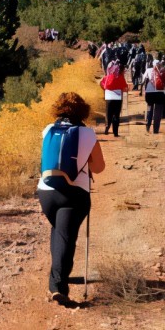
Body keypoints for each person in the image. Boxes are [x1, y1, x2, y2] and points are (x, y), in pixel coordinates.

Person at [38, 92, 106, 306]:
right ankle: (59, 287)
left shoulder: (48, 129)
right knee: (66, 238)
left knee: (59, 232)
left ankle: (55, 279)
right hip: (74, 193)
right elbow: (99, 167)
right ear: (83, 111)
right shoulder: (88, 134)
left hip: (46, 191)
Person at [99, 60, 127, 137]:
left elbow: (101, 84)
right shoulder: (120, 77)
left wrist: (106, 91)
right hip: (118, 97)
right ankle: (115, 133)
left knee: (109, 114)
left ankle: (107, 128)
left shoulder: (107, 77)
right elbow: (125, 88)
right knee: (116, 115)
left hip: (109, 97)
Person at [142, 59, 165, 133]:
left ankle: (148, 125)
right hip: (160, 93)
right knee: (158, 112)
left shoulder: (148, 70)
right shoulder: (163, 70)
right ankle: (156, 129)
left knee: (150, 109)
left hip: (150, 93)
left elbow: (143, 81)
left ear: (152, 64)